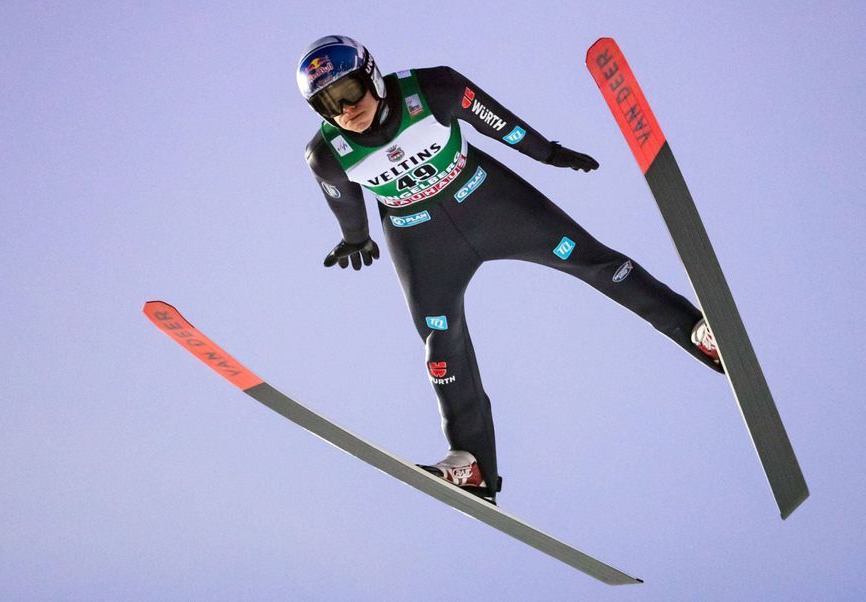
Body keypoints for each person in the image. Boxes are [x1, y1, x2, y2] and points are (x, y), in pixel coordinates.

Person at [297, 35, 722, 504]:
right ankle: (472, 463)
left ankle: (697, 332)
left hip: (492, 204)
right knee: (441, 344)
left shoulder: (433, 89)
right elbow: (345, 204)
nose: (345, 110)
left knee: (594, 261)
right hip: (422, 241)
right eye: (328, 104)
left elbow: (497, 123)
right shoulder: (326, 155)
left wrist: (549, 153)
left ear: (371, 75)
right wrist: (355, 239)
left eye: (350, 91)